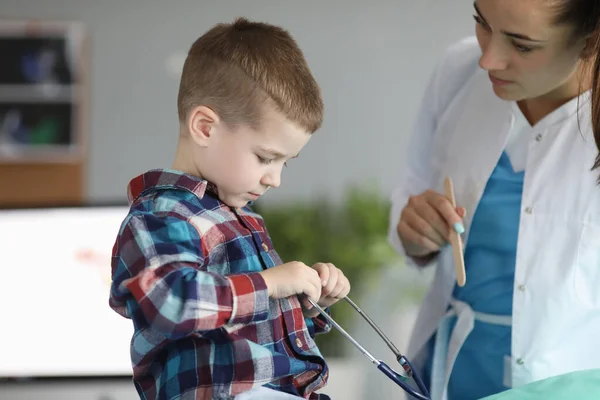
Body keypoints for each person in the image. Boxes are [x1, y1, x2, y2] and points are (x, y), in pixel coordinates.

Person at [109, 18, 351, 400]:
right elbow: (171, 302)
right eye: (265, 157)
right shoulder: (160, 216)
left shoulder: (242, 217)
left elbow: (245, 325)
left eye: (284, 163)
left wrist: (305, 301)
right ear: (205, 127)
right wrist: (270, 284)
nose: (275, 179)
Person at [388, 1, 600, 399]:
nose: (488, 60)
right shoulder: (457, 72)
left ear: (590, 41)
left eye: (521, 45)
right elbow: (409, 192)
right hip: (449, 371)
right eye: (482, 23)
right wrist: (415, 233)